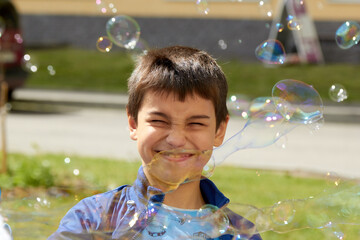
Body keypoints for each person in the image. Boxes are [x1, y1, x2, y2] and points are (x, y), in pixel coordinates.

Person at [48, 46, 262, 240]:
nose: (176, 139)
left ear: (219, 130)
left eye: (195, 123)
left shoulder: (240, 233)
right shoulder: (93, 218)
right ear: (133, 123)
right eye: (159, 121)